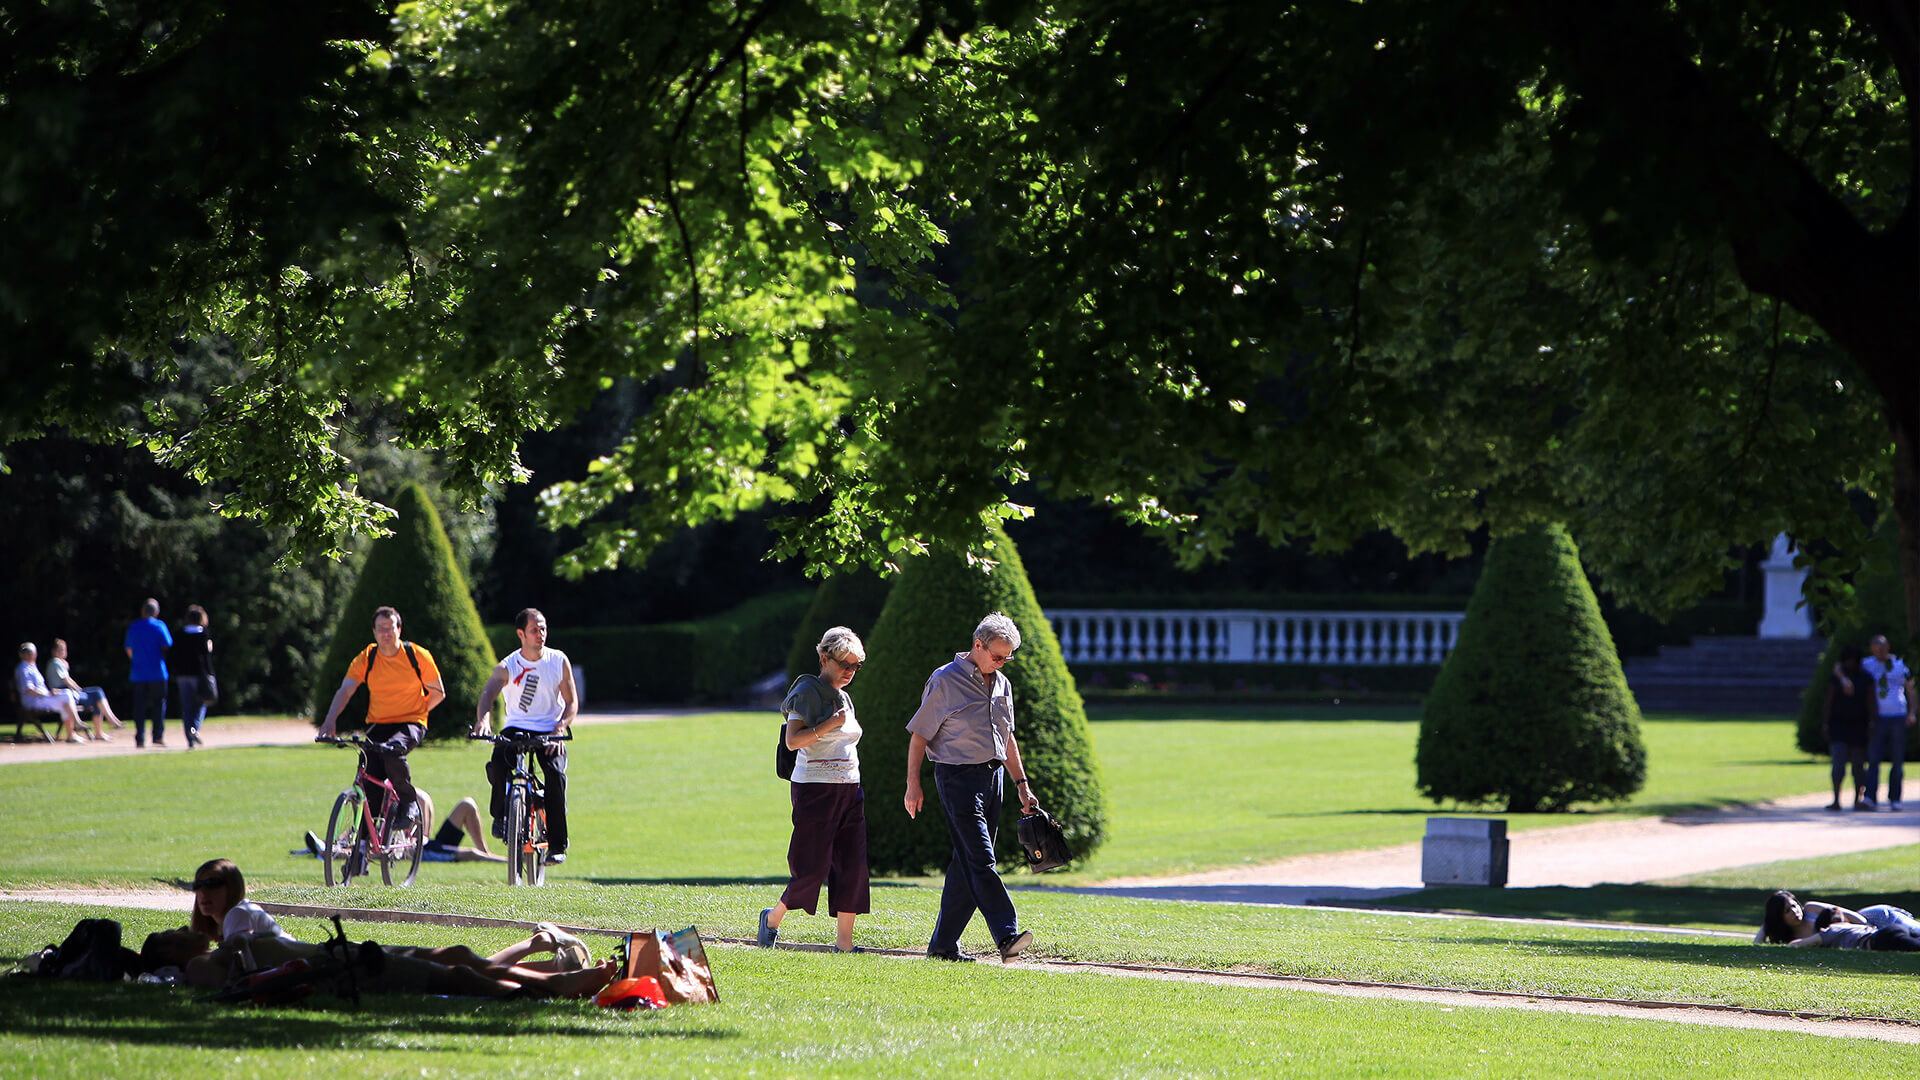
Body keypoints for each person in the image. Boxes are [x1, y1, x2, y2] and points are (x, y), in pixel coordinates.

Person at [904, 612, 1041, 962]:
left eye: (1007, 657)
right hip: (956, 779)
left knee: (966, 863)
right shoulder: (945, 680)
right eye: (997, 656)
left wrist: (1022, 786)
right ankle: (1007, 935)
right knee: (981, 857)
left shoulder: (1002, 684)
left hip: (993, 778)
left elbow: (1007, 737)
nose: (1002, 663)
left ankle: (943, 946)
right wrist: (913, 784)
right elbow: (920, 735)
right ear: (977, 645)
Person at [759, 626, 871, 954]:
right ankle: (772, 919)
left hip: (850, 789)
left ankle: (845, 945)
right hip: (815, 790)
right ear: (824, 658)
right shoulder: (807, 691)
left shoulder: (844, 697)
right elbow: (793, 740)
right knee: (812, 867)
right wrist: (828, 725)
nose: (850, 672)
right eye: (844, 664)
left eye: (856, 666)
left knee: (853, 865)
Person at [316, 606, 447, 833]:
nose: (386, 633)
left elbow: (438, 692)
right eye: (380, 629)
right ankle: (362, 850)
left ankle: (408, 803)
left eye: (390, 628)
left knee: (393, 750)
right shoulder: (368, 657)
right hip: (379, 724)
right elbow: (346, 690)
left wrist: (419, 710)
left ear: (399, 629)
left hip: (411, 723)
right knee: (368, 781)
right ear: (374, 632)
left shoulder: (416, 655)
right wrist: (329, 721)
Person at [473, 608, 578, 865]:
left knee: (555, 775)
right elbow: (488, 694)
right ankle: (501, 816)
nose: (540, 634)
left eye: (543, 628)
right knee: (498, 762)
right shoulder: (509, 665)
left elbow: (571, 701)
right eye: (534, 630)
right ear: (521, 634)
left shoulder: (557, 660)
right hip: (517, 726)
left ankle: (557, 845)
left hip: (548, 729)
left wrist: (560, 727)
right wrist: (483, 720)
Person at [297, 790, 506, 864]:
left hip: (424, 845)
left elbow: (422, 830)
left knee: (467, 805)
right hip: (416, 847)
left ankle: (489, 856)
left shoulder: (414, 799)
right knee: (376, 849)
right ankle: (328, 850)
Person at [1859, 634, 1916, 811]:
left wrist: (1912, 711)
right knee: (1874, 758)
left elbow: (1911, 688)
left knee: (1897, 759)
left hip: (1897, 714)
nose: (1880, 652)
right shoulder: (1867, 665)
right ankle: (1870, 796)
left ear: (1888, 647)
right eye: (1876, 649)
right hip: (1878, 717)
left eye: (1882, 648)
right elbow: (1843, 669)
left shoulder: (1900, 664)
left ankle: (1895, 797)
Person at [1756, 890, 1920, 951]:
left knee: (1916, 930)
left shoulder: (1811, 908)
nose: (1795, 911)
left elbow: (1842, 912)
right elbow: (1757, 945)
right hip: (1865, 933)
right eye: (1787, 911)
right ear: (1779, 918)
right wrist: (1767, 923)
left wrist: (1868, 928)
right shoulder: (1791, 939)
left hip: (1872, 918)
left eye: (1794, 905)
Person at [189, 858, 294, 944]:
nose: (202, 892)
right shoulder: (237, 914)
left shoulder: (239, 913)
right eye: (197, 885)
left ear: (232, 887)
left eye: (212, 884)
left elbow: (232, 962)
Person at [1821, 646, 1872, 811]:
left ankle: (1858, 798)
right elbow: (1829, 702)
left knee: (1858, 766)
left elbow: (1870, 702)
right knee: (1838, 765)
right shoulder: (1836, 679)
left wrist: (1872, 722)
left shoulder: (1865, 678)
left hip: (1858, 725)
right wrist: (1826, 723)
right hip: (1839, 725)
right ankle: (1836, 799)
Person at [46, 638, 124, 737]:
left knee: (97, 693)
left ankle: (110, 722)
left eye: (64, 649)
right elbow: (67, 680)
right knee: (97, 693)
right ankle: (108, 724)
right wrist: (78, 689)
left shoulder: (56, 663)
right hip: (66, 694)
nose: (64, 651)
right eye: (61, 649)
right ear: (54, 651)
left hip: (66, 693)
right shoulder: (56, 662)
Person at [13, 642, 86, 743]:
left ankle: (71, 735)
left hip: (41, 698)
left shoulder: (32, 666)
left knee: (65, 702)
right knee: (67, 695)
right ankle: (77, 724)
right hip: (34, 701)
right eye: (26, 652)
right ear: (21, 654)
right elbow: (29, 690)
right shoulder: (23, 669)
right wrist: (48, 694)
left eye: (31, 652)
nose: (30, 655)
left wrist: (50, 692)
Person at [123, 598, 172, 747]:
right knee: (159, 704)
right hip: (158, 672)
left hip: (138, 673)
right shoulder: (159, 626)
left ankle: (140, 738)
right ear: (156, 612)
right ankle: (157, 736)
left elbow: (128, 649)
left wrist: (136, 660)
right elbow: (167, 645)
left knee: (139, 706)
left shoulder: (134, 626)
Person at [170, 604, 215, 749]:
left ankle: (189, 738)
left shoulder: (179, 634)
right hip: (199, 675)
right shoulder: (204, 634)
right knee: (201, 703)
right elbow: (206, 656)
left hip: (183, 675)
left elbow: (174, 655)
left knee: (187, 707)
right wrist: (210, 674)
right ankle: (194, 730)